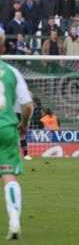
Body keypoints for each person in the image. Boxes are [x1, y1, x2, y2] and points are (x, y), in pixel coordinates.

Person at [0, 48, 33, 240]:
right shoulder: (12, 72)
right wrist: (24, 125)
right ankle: (14, 221)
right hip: (6, 128)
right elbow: (27, 105)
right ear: (3, 48)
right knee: (8, 175)